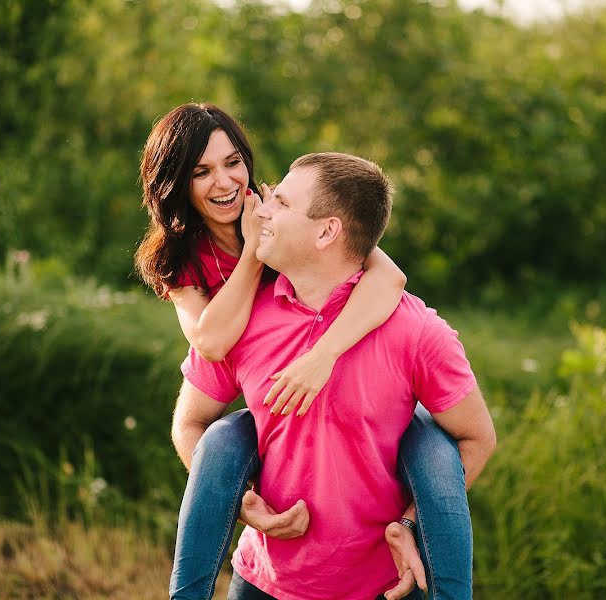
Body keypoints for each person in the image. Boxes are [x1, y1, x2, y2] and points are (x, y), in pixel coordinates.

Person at [135, 104, 474, 599]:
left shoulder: (277, 210)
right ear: (176, 185)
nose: (225, 181)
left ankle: (437, 568)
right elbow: (208, 341)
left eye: (233, 162)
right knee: (226, 439)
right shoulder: (185, 256)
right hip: (250, 392)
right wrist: (255, 251)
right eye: (200, 171)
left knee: (429, 446)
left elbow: (383, 271)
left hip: (369, 549)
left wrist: (324, 355)